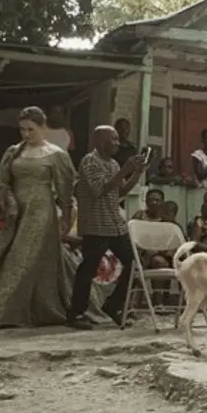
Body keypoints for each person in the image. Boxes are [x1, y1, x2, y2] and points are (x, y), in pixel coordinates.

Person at [0, 108, 79, 329]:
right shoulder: (14, 152)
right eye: (22, 129)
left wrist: (66, 216)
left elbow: (65, 190)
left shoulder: (56, 154)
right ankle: (33, 310)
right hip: (15, 212)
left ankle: (1, 315)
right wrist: (10, 202)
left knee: (22, 258)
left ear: (43, 128)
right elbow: (2, 182)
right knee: (7, 257)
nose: (26, 134)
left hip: (41, 211)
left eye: (31, 129)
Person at [66, 125, 146, 330]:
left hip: (114, 224)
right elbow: (98, 190)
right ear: (101, 141)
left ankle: (114, 304)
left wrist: (136, 173)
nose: (118, 144)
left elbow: (120, 192)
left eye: (118, 140)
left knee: (135, 263)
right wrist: (125, 169)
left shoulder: (113, 164)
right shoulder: (89, 162)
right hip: (95, 224)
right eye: (114, 139)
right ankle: (76, 313)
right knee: (89, 269)